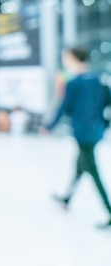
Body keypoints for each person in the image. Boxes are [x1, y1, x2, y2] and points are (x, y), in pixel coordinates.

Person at [40, 47, 111, 229]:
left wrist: (49, 126)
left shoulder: (74, 83)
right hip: (96, 131)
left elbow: (64, 106)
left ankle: (109, 211)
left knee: (93, 172)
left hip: (82, 133)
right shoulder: (97, 79)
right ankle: (67, 198)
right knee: (80, 166)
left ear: (72, 59)